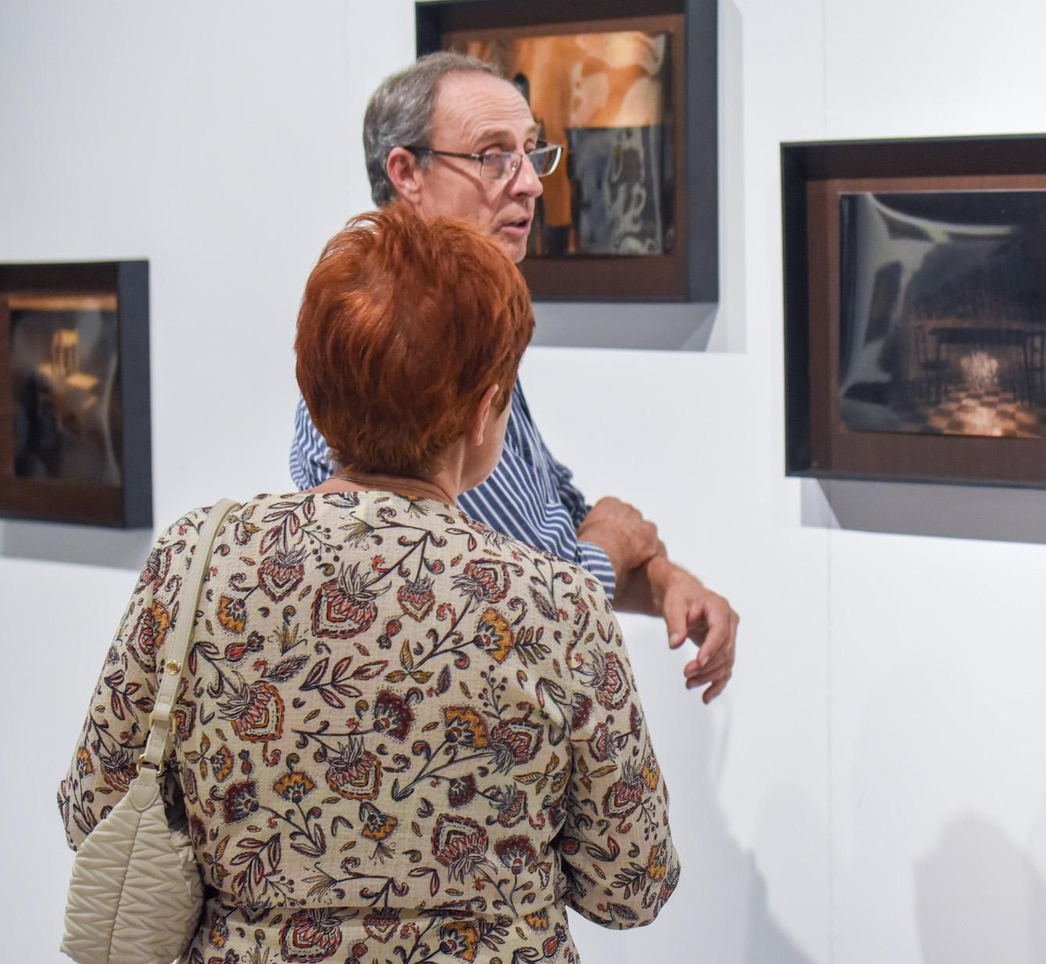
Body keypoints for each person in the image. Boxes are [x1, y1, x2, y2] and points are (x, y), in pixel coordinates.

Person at [60, 208, 679, 963]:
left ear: (313, 386)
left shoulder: (200, 558)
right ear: (484, 411)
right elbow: (632, 882)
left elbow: (93, 808)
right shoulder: (555, 604)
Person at [290, 51, 737, 702]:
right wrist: (608, 547)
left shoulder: (476, 329)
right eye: (494, 156)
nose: (529, 183)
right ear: (406, 172)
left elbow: (553, 519)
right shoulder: (380, 363)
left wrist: (663, 579)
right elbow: (497, 616)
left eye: (530, 153)